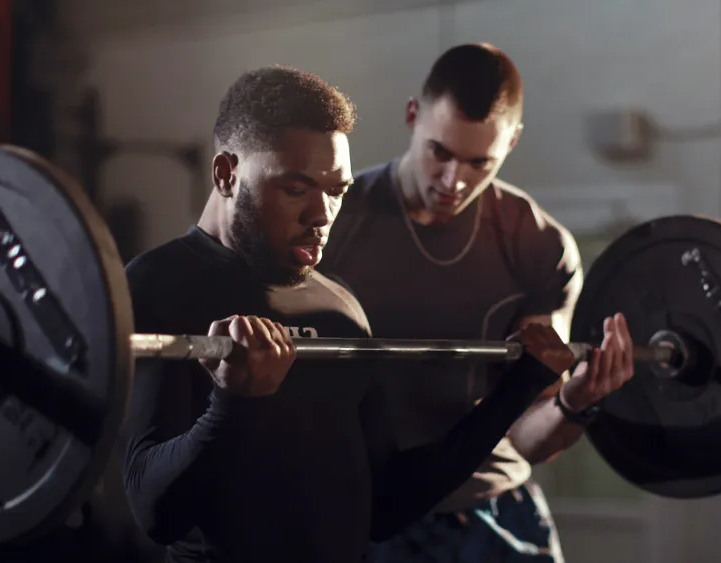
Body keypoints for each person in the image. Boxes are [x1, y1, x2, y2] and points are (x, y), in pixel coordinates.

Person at [118, 65, 614, 563]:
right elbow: (156, 513)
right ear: (227, 173)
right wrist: (234, 403)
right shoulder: (161, 285)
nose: (322, 216)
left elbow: (386, 506)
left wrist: (516, 390)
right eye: (297, 189)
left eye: (336, 190)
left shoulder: (339, 307)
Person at [318, 43, 635, 562]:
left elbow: (531, 438)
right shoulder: (335, 220)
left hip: (490, 512)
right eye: (439, 151)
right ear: (412, 116)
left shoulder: (540, 246)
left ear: (511, 143)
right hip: (359, 509)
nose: (453, 180)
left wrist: (576, 404)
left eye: (478, 161)